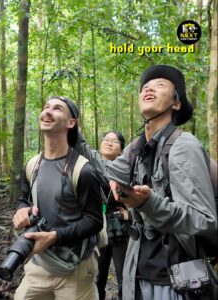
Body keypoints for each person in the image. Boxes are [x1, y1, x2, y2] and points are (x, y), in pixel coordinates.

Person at [75, 65, 217, 300]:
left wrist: (149, 203)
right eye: (146, 86)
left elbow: (204, 219)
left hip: (176, 279)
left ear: (176, 103)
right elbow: (104, 170)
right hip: (138, 273)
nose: (149, 87)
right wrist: (74, 133)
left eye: (161, 84)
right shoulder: (135, 149)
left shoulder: (183, 146)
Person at [13, 96, 103, 300]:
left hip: (76, 269)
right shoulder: (32, 165)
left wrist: (55, 236)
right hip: (39, 265)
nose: (47, 112)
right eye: (45, 107)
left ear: (71, 123)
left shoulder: (83, 170)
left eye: (57, 109)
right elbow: (24, 199)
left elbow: (94, 221)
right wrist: (21, 210)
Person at [97, 130, 130, 300]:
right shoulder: (90, 168)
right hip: (96, 227)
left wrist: (129, 213)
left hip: (120, 228)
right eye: (106, 140)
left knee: (124, 275)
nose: (109, 143)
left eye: (115, 141)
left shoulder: (127, 170)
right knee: (96, 276)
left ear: (121, 149)